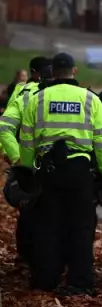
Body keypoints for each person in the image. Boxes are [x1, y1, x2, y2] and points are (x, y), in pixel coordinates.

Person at [18, 53, 102, 294]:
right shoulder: (90, 100)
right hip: (79, 172)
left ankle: (46, 278)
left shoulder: (37, 99)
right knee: (80, 228)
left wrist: (28, 171)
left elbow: (27, 140)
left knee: (48, 226)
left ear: (52, 72)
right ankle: (80, 281)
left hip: (48, 172)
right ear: (74, 71)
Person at [0, 58, 52, 265]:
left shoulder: (23, 93)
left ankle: (27, 255)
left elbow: (6, 126)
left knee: (28, 209)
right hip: (54, 163)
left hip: (27, 161)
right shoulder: (65, 94)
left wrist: (14, 156)